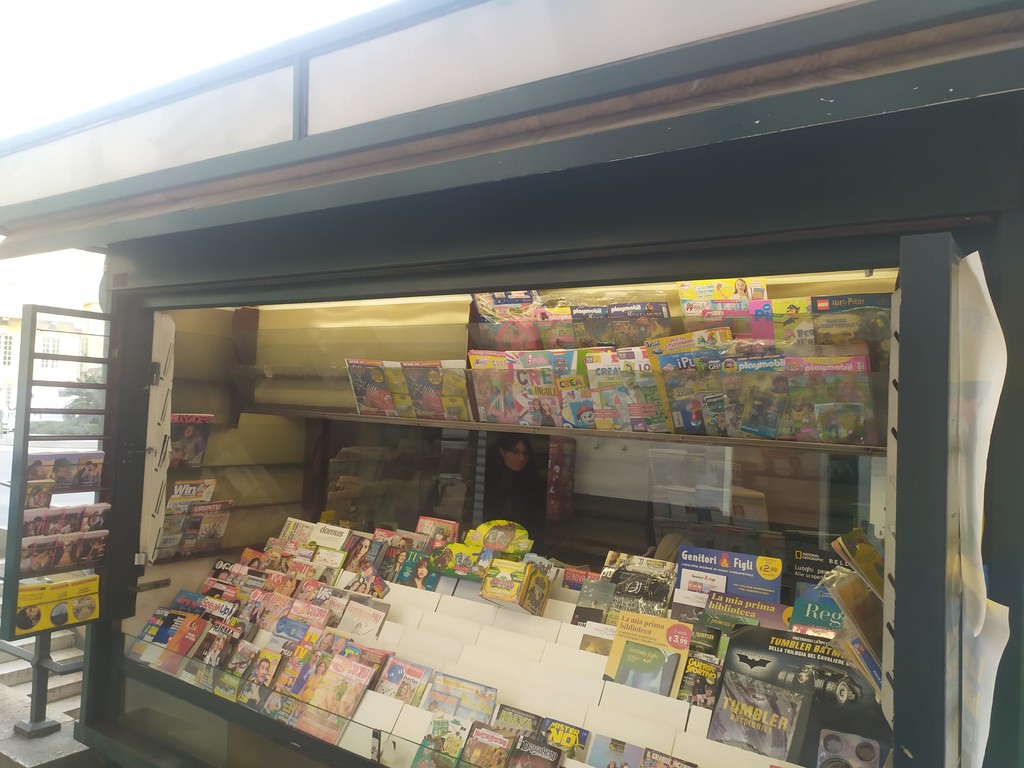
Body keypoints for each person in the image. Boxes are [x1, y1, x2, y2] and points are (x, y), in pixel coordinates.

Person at [482, 434, 547, 550]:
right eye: (515, 452)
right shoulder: (486, 480)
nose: (521, 458)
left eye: (525, 453)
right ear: (502, 452)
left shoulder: (533, 482)